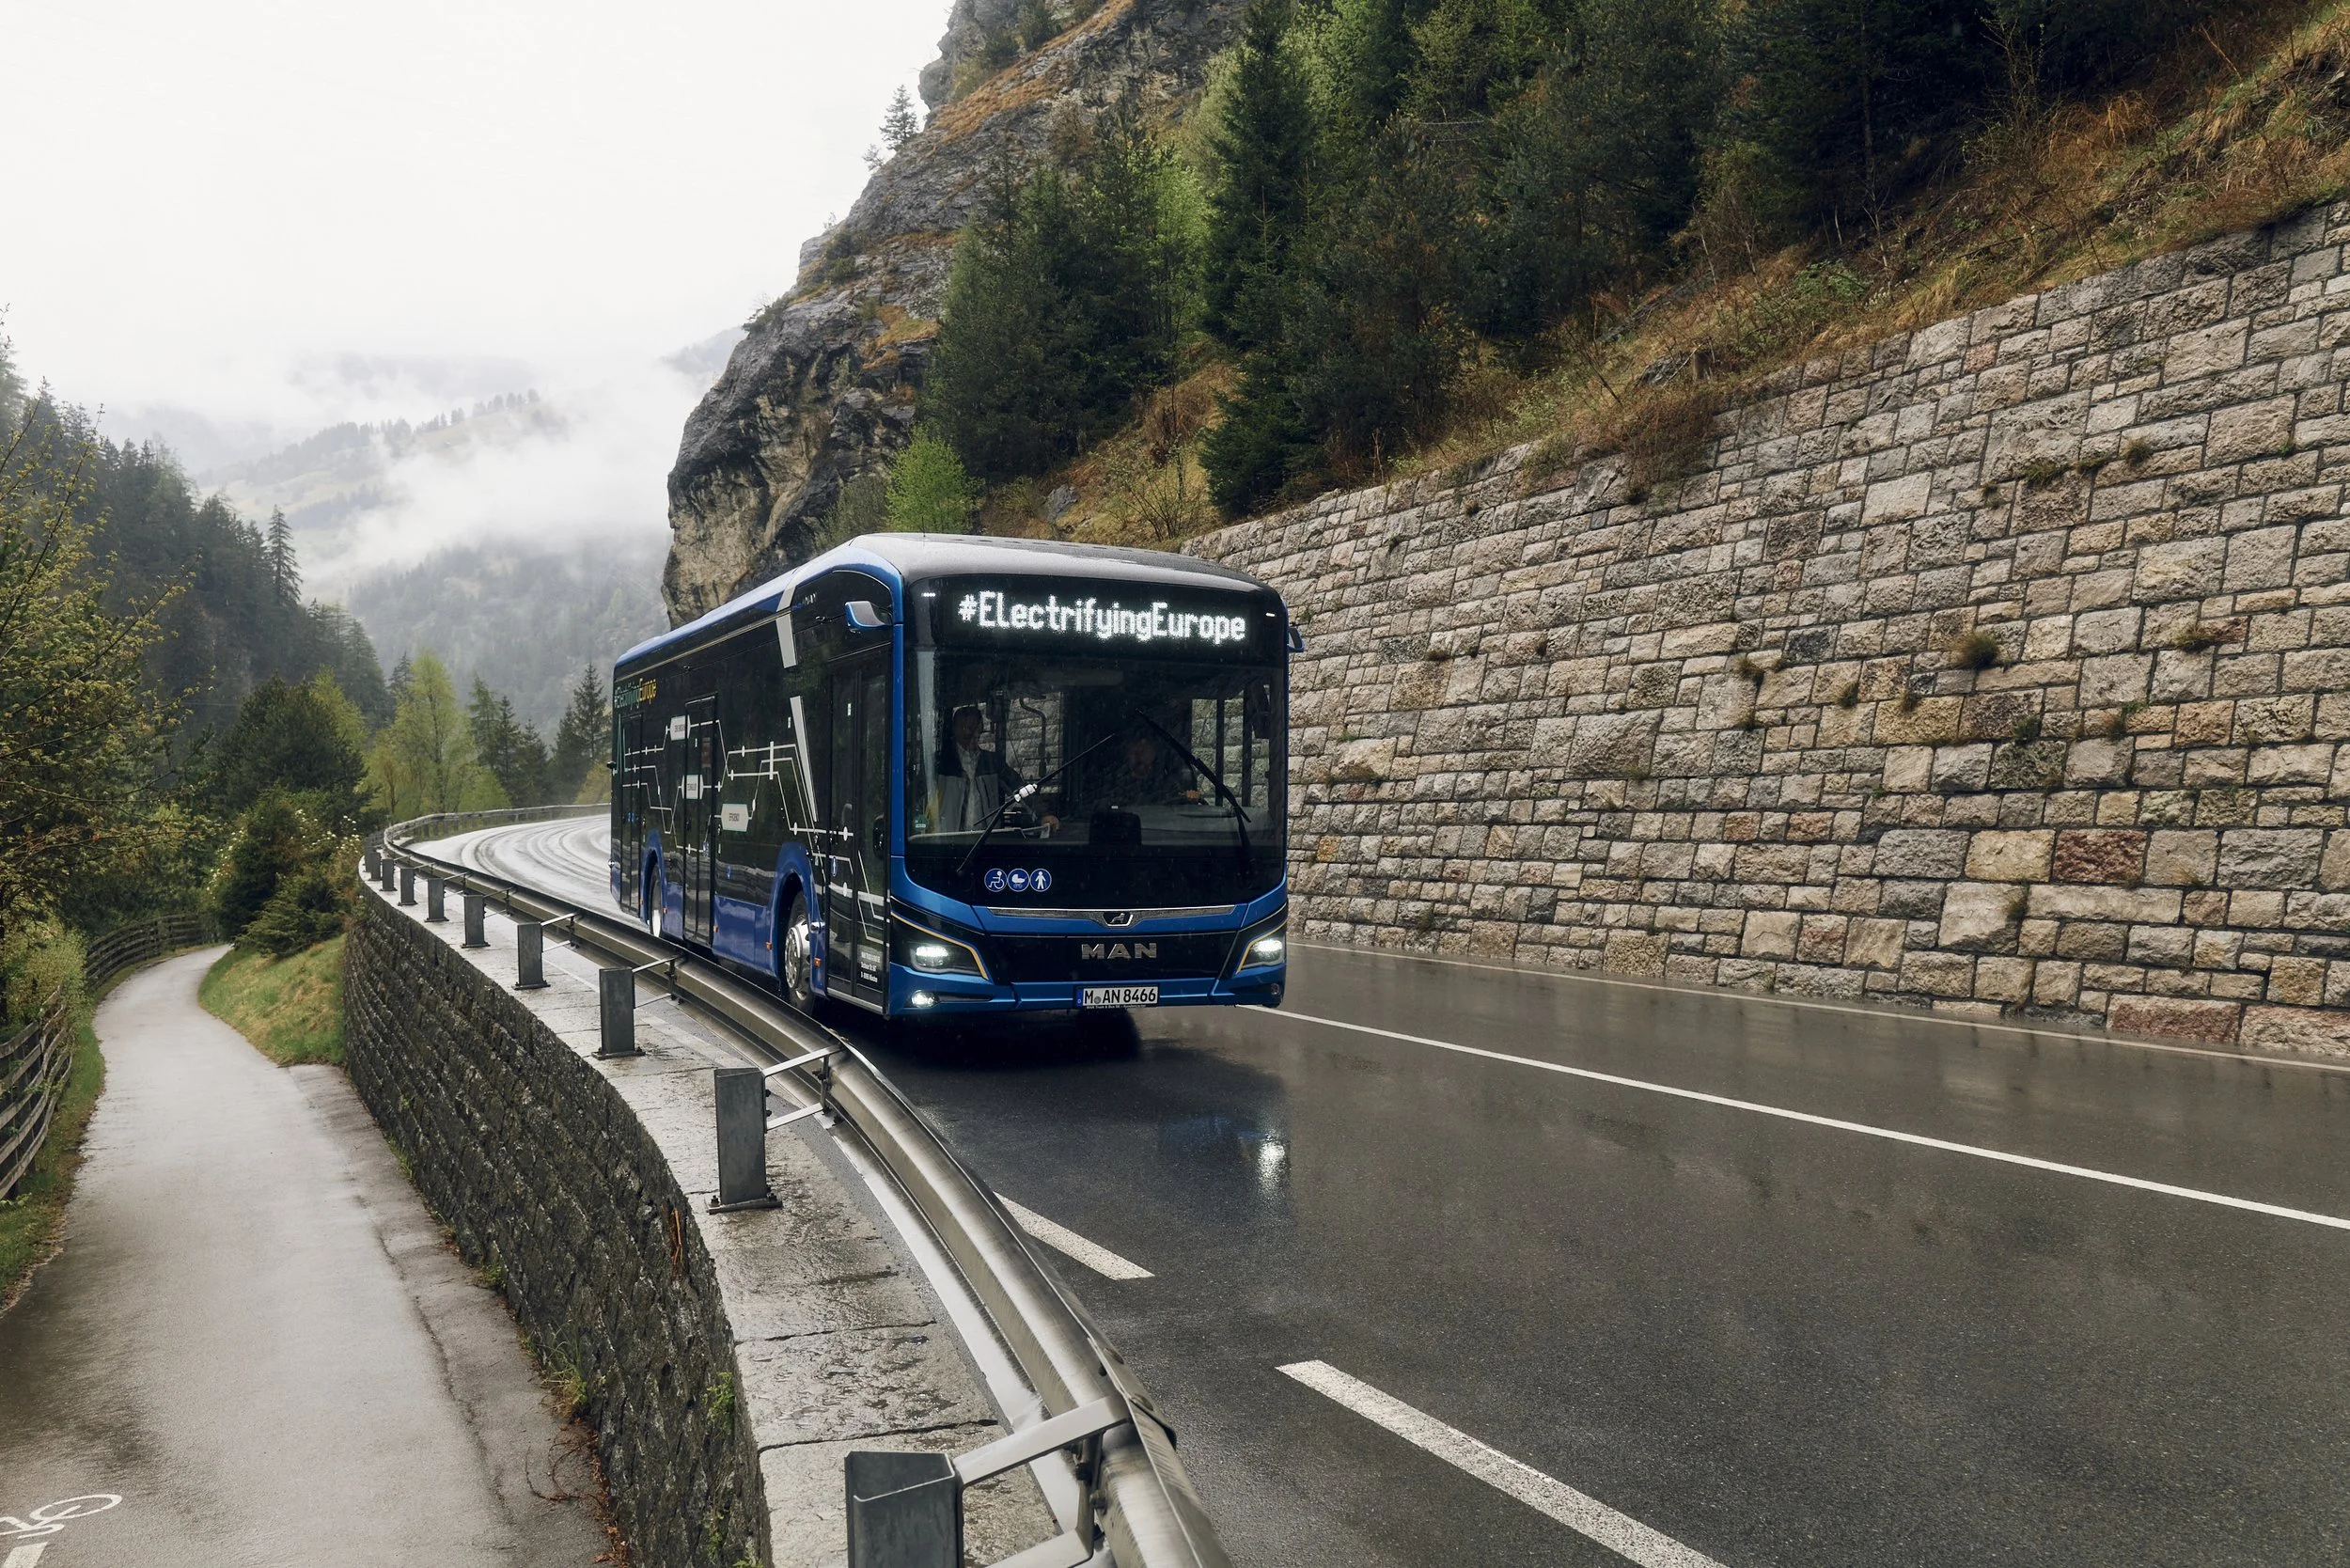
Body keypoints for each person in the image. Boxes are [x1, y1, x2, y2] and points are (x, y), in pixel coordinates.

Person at [934, 706, 1058, 832]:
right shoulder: (939, 765)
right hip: (948, 843)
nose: (970, 733)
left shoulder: (992, 762)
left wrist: (1043, 814)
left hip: (986, 842)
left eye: (975, 728)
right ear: (955, 730)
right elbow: (919, 801)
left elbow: (1019, 788)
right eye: (965, 727)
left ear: (981, 730)